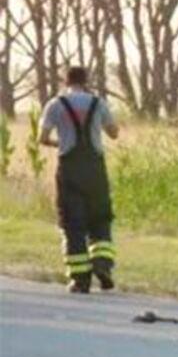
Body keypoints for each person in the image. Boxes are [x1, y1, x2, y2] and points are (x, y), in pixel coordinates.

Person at [39, 66, 120, 293]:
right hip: (95, 168)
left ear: (66, 81)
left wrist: (61, 143)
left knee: (72, 223)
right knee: (100, 216)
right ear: (86, 81)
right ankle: (103, 265)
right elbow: (114, 132)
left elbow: (42, 138)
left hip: (69, 168)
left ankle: (80, 279)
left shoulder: (55, 104)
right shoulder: (98, 103)